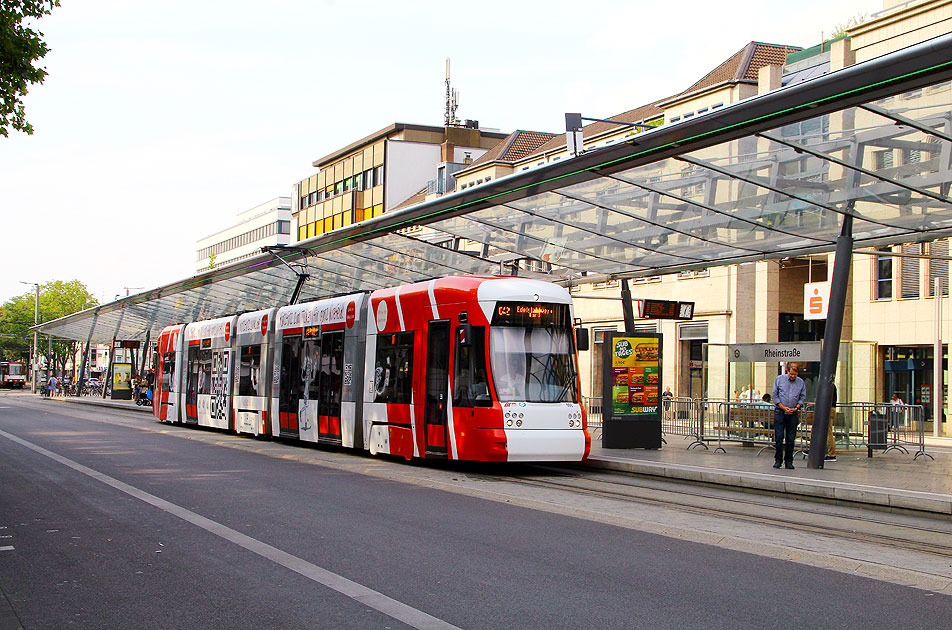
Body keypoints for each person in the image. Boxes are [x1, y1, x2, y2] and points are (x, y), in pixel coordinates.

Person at [771, 362, 806, 470]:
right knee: (779, 437)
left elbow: (802, 396)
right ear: (787, 371)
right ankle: (778, 460)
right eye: (791, 374)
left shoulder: (801, 382)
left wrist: (797, 407)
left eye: (795, 375)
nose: (792, 376)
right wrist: (782, 407)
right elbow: (774, 395)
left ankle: (789, 461)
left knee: (790, 439)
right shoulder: (779, 379)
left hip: (793, 413)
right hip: (780, 412)